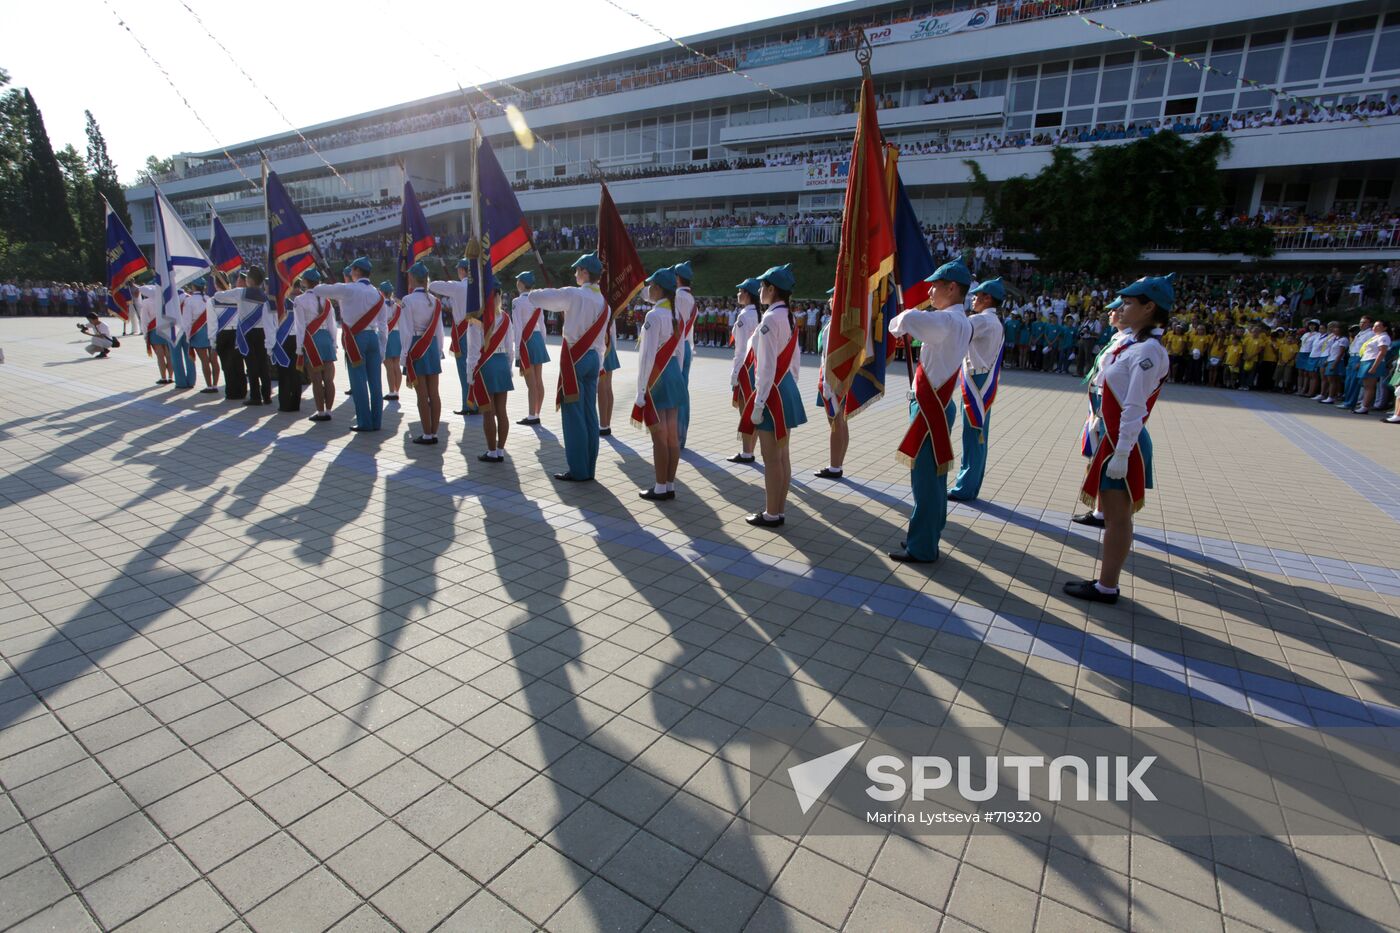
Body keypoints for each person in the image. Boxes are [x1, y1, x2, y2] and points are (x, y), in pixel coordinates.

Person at [1064, 274, 1173, 604]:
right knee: (1114, 517)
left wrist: (1123, 452)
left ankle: (1106, 586)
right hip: (1114, 440)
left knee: (1117, 518)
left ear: (1149, 307)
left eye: (1128, 303)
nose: (1121, 308)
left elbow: (1135, 407)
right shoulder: (1135, 345)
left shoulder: (1149, 351)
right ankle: (1106, 583)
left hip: (1124, 443)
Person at [887, 260, 973, 563]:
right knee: (934, 477)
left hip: (928, 407)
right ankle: (928, 533)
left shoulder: (946, 321)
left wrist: (902, 324)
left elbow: (903, 319)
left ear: (953, 288)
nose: (930, 290)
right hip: (937, 403)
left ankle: (922, 546)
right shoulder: (961, 321)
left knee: (924, 479)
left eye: (936, 285)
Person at [521, 252, 608, 481]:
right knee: (590, 413)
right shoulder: (603, 301)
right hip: (593, 359)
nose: (575, 273)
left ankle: (578, 470)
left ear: (585, 272)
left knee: (573, 416)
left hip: (574, 359)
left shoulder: (574, 294)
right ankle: (589, 468)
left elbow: (540, 298)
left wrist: (533, 293)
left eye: (577, 270)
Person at [736, 264, 806, 528]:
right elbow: (794, 360)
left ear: (772, 289)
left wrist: (759, 403)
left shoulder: (769, 320)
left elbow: (764, 368)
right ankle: (778, 509)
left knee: (771, 457)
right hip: (785, 387)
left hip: (772, 392)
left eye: (763, 286)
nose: (759, 290)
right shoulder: (788, 316)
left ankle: (771, 513)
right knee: (782, 455)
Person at [1071, 298, 1132, 528]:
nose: (1110, 314)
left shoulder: (1130, 342)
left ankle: (1103, 512)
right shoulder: (1118, 338)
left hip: (1109, 404)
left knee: (1103, 456)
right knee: (1095, 455)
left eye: (1115, 310)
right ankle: (1099, 510)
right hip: (1099, 401)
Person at [312, 256, 387, 431]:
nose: (350, 273)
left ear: (357, 271)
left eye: (352, 270)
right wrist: (382, 347)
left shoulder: (348, 289)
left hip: (355, 339)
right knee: (376, 382)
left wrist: (336, 286)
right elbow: (383, 325)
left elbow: (317, 289)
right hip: (373, 337)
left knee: (358, 381)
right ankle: (377, 421)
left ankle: (364, 422)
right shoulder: (377, 293)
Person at [948, 277, 1006, 503]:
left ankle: (965, 487)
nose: (972, 299)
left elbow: (956, 329)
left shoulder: (982, 321)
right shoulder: (993, 321)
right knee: (977, 433)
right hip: (980, 377)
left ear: (987, 298)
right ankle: (970, 484)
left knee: (973, 434)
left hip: (977, 379)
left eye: (976, 296)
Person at [631, 266, 686, 501]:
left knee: (659, 436)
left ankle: (660, 486)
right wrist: (678, 376)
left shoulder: (653, 316)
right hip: (674, 373)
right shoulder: (676, 315)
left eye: (651, 285)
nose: (648, 289)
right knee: (672, 434)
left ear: (659, 288)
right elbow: (681, 352)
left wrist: (641, 390)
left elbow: (647, 357)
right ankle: (670, 483)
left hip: (657, 375)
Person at [463, 288, 517, 461]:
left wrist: (470, 374)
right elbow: (510, 348)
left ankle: (492, 451)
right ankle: (500, 450)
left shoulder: (476, 319)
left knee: (488, 411)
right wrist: (508, 368)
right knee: (502, 411)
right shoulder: (506, 318)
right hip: (501, 362)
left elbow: (473, 350)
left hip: (485, 364)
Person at [213, 267, 274, 406]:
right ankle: (267, 395)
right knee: (264, 365)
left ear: (250, 280)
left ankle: (255, 397)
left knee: (251, 365)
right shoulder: (266, 297)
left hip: (247, 333)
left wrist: (227, 289)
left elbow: (218, 296)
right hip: (262, 333)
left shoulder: (240, 292)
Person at [398, 262, 444, 444]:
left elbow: (406, 330)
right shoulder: (435, 301)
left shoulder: (408, 300)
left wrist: (404, 356)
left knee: (422, 395)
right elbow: (439, 331)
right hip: (431, 346)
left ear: (412, 278)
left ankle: (426, 433)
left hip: (416, 345)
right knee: (434, 393)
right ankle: (434, 432)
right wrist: (438, 350)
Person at [432, 259, 479, 418]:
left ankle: (468, 404)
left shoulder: (457, 286)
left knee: (464, 369)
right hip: (478, 330)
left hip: (463, 331)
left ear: (463, 271)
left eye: (459, 269)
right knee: (477, 367)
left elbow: (432, 286)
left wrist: (450, 283)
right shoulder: (478, 286)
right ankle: (478, 401)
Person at [292, 269, 338, 422]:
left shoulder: (299, 300)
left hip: (311, 340)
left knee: (316, 379)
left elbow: (299, 327)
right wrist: (334, 343)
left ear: (305, 282)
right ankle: (330, 411)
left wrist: (299, 348)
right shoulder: (327, 301)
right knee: (329, 379)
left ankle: (320, 412)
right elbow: (332, 324)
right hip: (326, 338)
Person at [813, 287, 848, 480]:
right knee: (841, 422)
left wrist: (828, 385)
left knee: (836, 422)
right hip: (837, 378)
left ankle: (835, 466)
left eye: (832, 297)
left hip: (833, 380)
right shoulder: (844, 321)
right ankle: (838, 462)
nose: (829, 300)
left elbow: (831, 356)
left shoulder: (838, 323)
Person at [727, 278, 762, 464]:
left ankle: (746, 452)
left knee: (745, 409)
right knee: (753, 408)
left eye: (740, 291)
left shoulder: (743, 316)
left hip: (745, 367)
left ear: (748, 294)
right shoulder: (759, 314)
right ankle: (750, 450)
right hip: (757, 365)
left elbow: (740, 349)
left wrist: (734, 374)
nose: (738, 294)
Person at [511, 271, 549, 426]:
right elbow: (543, 324)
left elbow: (517, 328)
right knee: (539, 380)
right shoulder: (537, 301)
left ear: (520, 284)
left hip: (526, 341)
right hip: (538, 338)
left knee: (531, 383)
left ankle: (532, 416)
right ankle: (537, 412)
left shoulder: (516, 302)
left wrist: (518, 351)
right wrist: (542, 343)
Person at [672, 261, 697, 449]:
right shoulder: (691, 298)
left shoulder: (677, 296)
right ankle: (682, 435)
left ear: (678, 278)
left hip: (677, 347)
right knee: (683, 391)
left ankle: (675, 436)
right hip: (687, 346)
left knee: (675, 392)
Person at [212, 273, 248, 401]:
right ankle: (242, 391)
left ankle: (232, 392)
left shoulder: (213, 300)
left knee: (227, 365)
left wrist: (212, 341)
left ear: (216, 284)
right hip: (237, 333)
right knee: (238, 363)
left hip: (223, 333)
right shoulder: (237, 297)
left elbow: (212, 322)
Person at [182, 279, 220, 393]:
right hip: (212, 330)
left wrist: (188, 336)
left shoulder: (189, 301)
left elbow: (187, 321)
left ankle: (209, 386)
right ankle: (215, 385)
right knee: (214, 360)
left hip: (198, 332)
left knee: (204, 361)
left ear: (193, 287)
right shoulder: (209, 299)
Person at [272, 284, 304, 413]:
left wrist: (269, 345)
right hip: (296, 339)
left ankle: (285, 404)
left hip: (283, 341)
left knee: (284, 373)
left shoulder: (275, 305)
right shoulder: (297, 303)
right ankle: (295, 404)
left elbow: (271, 325)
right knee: (295, 373)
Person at [597, 288, 621, 437]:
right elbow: (613, 328)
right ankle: (606, 424)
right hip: (609, 344)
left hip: (599, 345)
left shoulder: (593, 302)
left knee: (602, 388)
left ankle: (603, 424)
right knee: (607, 387)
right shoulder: (608, 305)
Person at [137, 282, 172, 385]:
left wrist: (145, 334)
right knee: (169, 355)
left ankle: (163, 377)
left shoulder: (146, 302)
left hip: (154, 330)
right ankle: (171, 376)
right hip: (166, 328)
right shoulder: (164, 299)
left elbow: (144, 320)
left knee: (160, 356)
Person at [1355, 320, 1392, 415]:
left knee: (1370, 386)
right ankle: (1364, 404)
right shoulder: (1375, 337)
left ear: (1385, 328)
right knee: (1366, 385)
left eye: (1378, 326)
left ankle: (1365, 407)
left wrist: (1374, 367)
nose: (1374, 328)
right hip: (1366, 360)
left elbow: (1382, 353)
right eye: (1374, 326)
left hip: (1373, 361)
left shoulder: (1384, 337)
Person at [380, 281, 403, 403]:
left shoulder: (380, 305)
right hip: (397, 335)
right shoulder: (397, 306)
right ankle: (396, 391)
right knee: (396, 365)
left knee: (389, 366)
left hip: (387, 335)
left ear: (382, 292)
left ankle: (391, 391)